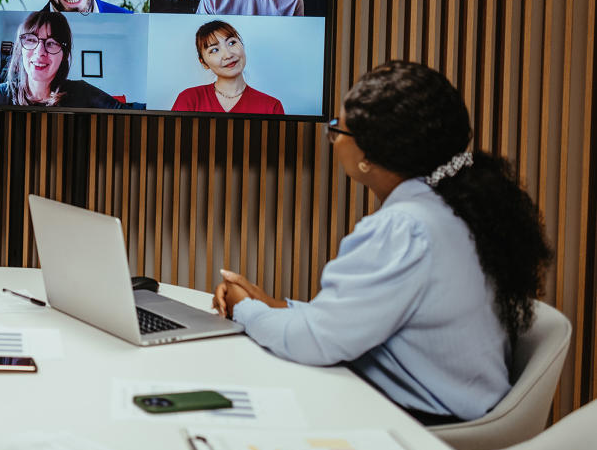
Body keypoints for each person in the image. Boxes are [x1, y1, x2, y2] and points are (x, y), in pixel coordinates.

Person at [213, 61, 553, 423]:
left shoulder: (403, 228)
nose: (333, 140)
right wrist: (274, 307)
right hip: (447, 406)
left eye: (336, 130)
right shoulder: (455, 208)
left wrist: (244, 309)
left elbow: (315, 343)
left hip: (420, 426)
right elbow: (360, 320)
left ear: (367, 154)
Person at [0, 9, 122, 108]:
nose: (40, 52)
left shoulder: (82, 92)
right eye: (31, 40)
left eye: (52, 43)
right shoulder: (0, 94)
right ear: (20, 50)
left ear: (64, 55)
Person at [171, 20, 284, 114]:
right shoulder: (189, 99)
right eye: (214, 50)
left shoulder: (272, 106)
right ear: (204, 63)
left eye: (231, 43)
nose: (228, 55)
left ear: (242, 46)